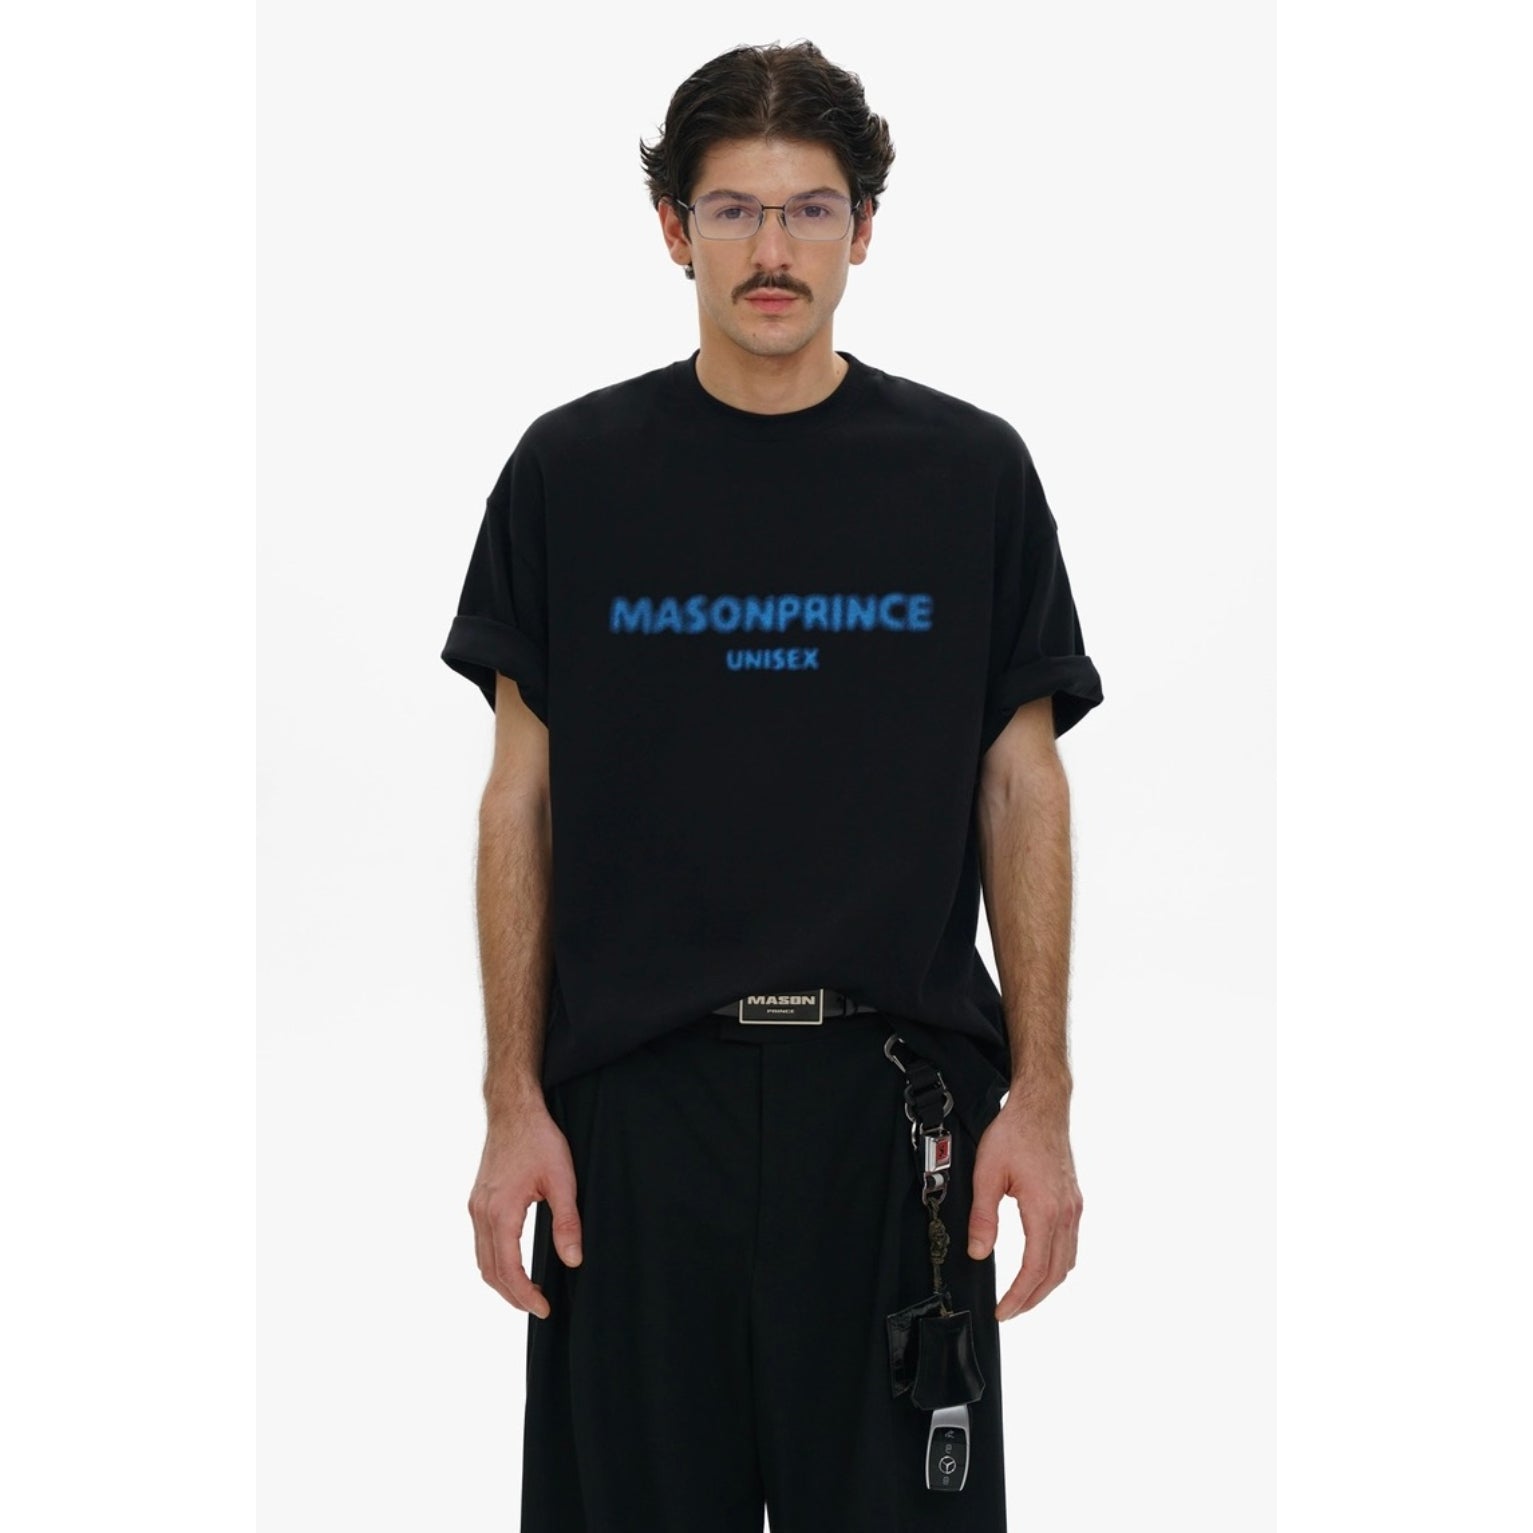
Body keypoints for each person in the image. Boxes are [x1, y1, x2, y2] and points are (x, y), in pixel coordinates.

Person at [440, 39, 1105, 1533]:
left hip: (895, 1116)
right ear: (672, 228)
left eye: (809, 211)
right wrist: (510, 1100)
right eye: (732, 211)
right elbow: (518, 799)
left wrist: (1046, 1100)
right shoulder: (570, 474)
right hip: (633, 1119)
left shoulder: (968, 474)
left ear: (863, 229)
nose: (771, 252)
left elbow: (1023, 785)